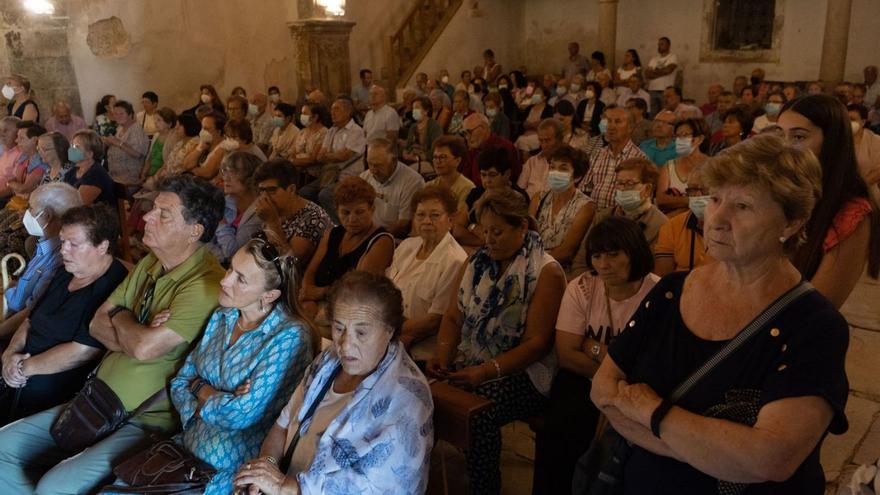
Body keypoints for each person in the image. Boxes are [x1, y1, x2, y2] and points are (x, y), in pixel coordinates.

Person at [590, 134, 849, 494]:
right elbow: (603, 390)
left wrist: (652, 412)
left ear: (790, 223)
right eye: (714, 199)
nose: (717, 219)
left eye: (743, 206)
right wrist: (712, 452)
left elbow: (771, 458)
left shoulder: (814, 326)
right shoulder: (672, 290)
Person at [0, 175, 225, 494]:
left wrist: (122, 319)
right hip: (94, 398)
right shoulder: (150, 263)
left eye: (163, 213)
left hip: (142, 419)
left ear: (195, 231)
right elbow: (96, 324)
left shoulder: (205, 285)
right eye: (153, 209)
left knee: (54, 487)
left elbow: (144, 349)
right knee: (2, 448)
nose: (146, 216)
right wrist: (132, 324)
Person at [234, 271, 433, 494]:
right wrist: (267, 467)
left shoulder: (407, 399)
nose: (346, 345)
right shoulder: (328, 362)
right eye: (339, 328)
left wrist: (284, 487)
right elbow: (282, 426)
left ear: (389, 331)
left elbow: (375, 487)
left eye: (361, 332)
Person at [427, 188, 566, 495]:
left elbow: (537, 344)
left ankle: (484, 488)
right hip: (475, 358)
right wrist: (442, 354)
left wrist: (485, 371)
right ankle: (421, 477)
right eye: (485, 231)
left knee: (481, 414)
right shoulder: (476, 262)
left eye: (498, 231)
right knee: (420, 390)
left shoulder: (545, 271)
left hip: (527, 373)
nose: (489, 239)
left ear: (523, 228)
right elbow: (453, 317)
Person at [163, 238, 318, 494]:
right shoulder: (223, 315)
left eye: (241, 279)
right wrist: (211, 394)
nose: (225, 281)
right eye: (230, 269)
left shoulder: (290, 336)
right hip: (182, 451)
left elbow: (241, 414)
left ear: (269, 295)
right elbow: (180, 382)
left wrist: (199, 388)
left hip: (228, 474)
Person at [532, 216, 658, 495]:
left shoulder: (658, 293)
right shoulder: (583, 287)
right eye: (597, 255)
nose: (604, 264)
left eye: (614, 255)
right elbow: (566, 354)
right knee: (562, 428)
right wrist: (610, 358)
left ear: (634, 252)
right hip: (583, 377)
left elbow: (652, 362)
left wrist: (591, 346)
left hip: (635, 388)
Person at [1, 204, 127, 424]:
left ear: (102, 246)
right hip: (20, 365)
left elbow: (83, 351)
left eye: (74, 244)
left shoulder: (114, 285)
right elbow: (31, 319)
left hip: (52, 380)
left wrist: (22, 369)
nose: (63, 250)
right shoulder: (66, 271)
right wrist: (10, 353)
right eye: (63, 241)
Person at [778, 94, 880, 308]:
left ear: (831, 140)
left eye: (799, 137)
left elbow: (819, 308)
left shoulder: (851, 213)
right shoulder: (783, 190)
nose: (785, 147)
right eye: (781, 135)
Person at [387, 185, 467, 359]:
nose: (426, 221)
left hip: (423, 349)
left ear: (451, 219)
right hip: (390, 333)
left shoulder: (455, 260)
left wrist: (386, 328)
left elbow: (435, 321)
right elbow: (384, 291)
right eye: (420, 215)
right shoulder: (407, 247)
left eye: (435, 215)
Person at [0, 183, 81, 340]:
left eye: (30, 208)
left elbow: (31, 311)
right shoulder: (46, 242)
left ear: (47, 215)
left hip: (12, 320)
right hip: (9, 303)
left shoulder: (60, 258)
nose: (26, 212)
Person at [252, 158, 332, 268]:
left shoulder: (314, 218)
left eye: (271, 190)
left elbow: (290, 266)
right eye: (261, 190)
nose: (265, 197)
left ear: (291, 189)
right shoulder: (276, 209)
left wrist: (272, 222)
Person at [529, 145, 596, 271]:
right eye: (552, 167)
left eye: (563, 169)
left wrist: (533, 263)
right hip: (531, 265)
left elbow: (566, 252)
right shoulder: (538, 198)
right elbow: (529, 237)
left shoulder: (586, 206)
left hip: (562, 270)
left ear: (577, 176)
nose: (555, 173)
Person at [303, 97, 366, 220]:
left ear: (348, 112)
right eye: (331, 110)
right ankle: (319, 221)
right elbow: (320, 157)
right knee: (304, 193)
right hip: (330, 175)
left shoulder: (356, 131)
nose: (332, 113)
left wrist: (330, 155)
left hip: (348, 176)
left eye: (336, 109)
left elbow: (344, 156)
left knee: (325, 195)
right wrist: (334, 156)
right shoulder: (331, 131)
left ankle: (341, 225)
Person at [455, 147, 530, 249]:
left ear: (507, 174)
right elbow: (458, 231)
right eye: (483, 175)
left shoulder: (517, 198)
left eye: (492, 175)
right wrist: (474, 229)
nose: (487, 180)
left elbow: (514, 237)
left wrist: (471, 229)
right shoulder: (476, 193)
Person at [581, 105, 648, 210]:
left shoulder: (639, 159)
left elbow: (641, 199)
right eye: (608, 121)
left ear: (630, 127)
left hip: (622, 218)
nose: (611, 127)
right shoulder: (598, 154)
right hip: (594, 215)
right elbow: (584, 188)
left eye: (617, 122)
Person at [654, 165, 715, 276]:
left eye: (705, 190)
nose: (697, 196)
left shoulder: (734, 227)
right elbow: (662, 277)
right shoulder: (671, 227)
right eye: (692, 190)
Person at [360, 138, 424, 238]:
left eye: (378, 165)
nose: (373, 171)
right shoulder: (365, 177)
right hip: (368, 234)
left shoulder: (412, 182)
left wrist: (375, 238)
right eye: (370, 164)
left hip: (393, 238)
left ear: (394, 160)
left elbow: (403, 224)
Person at [210, 152, 264, 264]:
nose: (226, 178)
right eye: (225, 171)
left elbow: (232, 254)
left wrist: (221, 222)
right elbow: (205, 238)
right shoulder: (226, 201)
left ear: (251, 178)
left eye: (235, 173)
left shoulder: (260, 211)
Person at [657, 117, 710, 215]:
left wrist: (676, 201)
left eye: (685, 135)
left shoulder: (712, 165)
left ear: (699, 139)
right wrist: (691, 201)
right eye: (677, 136)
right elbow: (661, 200)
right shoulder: (669, 166)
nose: (679, 140)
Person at [194, 118, 266, 181]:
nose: (229, 140)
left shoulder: (253, 154)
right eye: (227, 137)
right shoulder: (231, 150)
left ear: (244, 138)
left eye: (233, 137)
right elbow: (221, 173)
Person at [461, 113, 520, 187]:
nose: (467, 137)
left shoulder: (505, 147)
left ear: (484, 128)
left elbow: (512, 178)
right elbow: (465, 178)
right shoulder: (473, 150)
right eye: (464, 133)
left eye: (469, 132)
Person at [104, 100, 150, 187]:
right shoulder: (120, 128)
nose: (118, 116)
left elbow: (137, 153)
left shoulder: (136, 129)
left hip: (130, 178)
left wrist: (118, 143)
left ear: (130, 114)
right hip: (115, 176)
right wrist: (109, 143)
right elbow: (117, 144)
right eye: (116, 114)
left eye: (121, 113)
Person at [64, 129, 115, 205]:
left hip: (96, 215)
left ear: (89, 154)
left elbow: (79, 203)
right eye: (72, 145)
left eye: (76, 147)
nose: (71, 149)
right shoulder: (72, 171)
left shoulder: (97, 173)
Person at [426, 135, 475, 212]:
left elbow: (459, 221)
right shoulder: (429, 186)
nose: (438, 161)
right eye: (435, 157)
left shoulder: (467, 188)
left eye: (443, 157)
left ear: (458, 161)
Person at [517, 118, 564, 198]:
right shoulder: (532, 162)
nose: (544, 145)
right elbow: (520, 190)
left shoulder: (567, 164)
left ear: (560, 140)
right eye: (541, 141)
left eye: (547, 140)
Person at [849, 103, 880, 208]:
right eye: (845, 119)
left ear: (862, 122)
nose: (848, 123)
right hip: (842, 195)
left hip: (869, 196)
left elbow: (878, 171)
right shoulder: (839, 140)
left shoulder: (875, 140)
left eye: (852, 119)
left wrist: (857, 189)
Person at [154, 113, 201, 180]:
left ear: (188, 126)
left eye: (180, 125)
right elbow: (167, 163)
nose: (176, 128)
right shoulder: (180, 143)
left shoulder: (196, 143)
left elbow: (188, 167)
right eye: (176, 125)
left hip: (179, 182)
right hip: (166, 178)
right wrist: (156, 175)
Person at [289, 103, 328, 181]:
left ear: (315, 117)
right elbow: (293, 152)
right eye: (301, 113)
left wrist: (292, 162)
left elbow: (313, 159)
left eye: (305, 114)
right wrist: (292, 161)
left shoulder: (324, 133)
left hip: (313, 175)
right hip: (297, 170)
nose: (301, 116)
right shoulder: (302, 132)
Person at [402, 95, 443, 166]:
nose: (414, 111)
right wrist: (405, 152)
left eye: (417, 108)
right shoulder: (413, 126)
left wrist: (419, 158)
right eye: (413, 108)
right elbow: (408, 146)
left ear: (426, 111)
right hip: (412, 159)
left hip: (429, 161)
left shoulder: (435, 126)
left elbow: (437, 149)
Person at [138, 107, 176, 182]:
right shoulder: (156, 135)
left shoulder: (173, 138)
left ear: (169, 123)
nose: (155, 122)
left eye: (159, 120)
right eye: (154, 119)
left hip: (163, 177)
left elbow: (169, 163)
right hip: (150, 173)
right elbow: (150, 157)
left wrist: (155, 178)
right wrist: (144, 173)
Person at [644, 37, 679, 116]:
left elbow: (668, 70)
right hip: (652, 90)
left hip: (665, 91)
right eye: (659, 44)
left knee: (665, 113)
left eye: (662, 44)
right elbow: (647, 74)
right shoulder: (654, 59)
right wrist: (662, 71)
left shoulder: (672, 57)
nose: (660, 46)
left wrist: (654, 71)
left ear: (668, 45)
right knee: (653, 115)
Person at [515, 86, 554, 153]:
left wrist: (530, 125)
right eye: (534, 93)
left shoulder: (549, 109)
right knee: (522, 141)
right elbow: (523, 124)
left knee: (521, 141)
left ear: (544, 97)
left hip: (539, 137)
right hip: (525, 135)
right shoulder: (529, 108)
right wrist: (531, 125)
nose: (535, 95)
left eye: (538, 93)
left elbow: (543, 125)